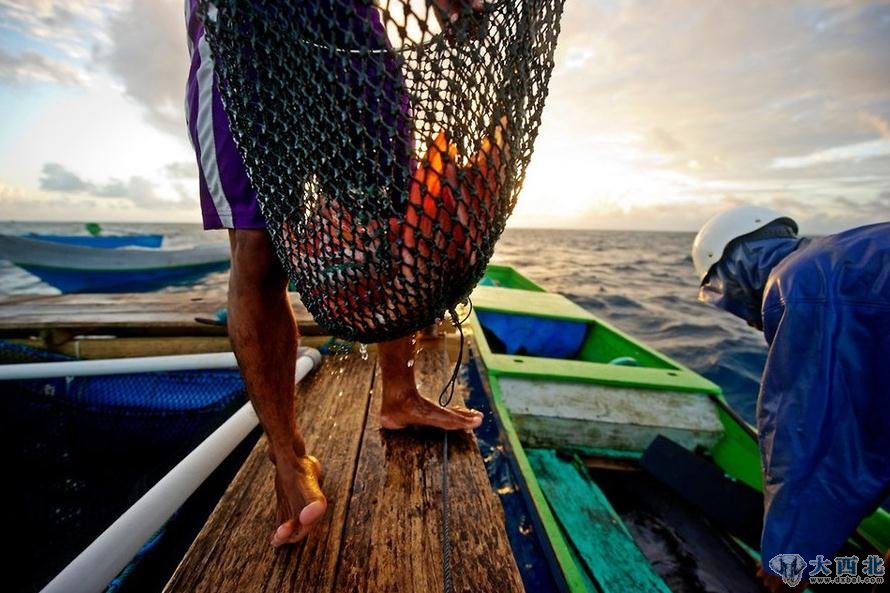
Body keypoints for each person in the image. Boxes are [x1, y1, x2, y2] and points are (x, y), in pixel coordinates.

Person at [184, 0, 484, 548]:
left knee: (393, 216)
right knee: (257, 250)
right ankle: (289, 457)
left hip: (346, 25)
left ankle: (400, 393)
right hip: (240, 35)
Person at [692, 205, 890, 589]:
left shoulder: (799, 285)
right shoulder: (842, 259)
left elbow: (808, 436)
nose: (746, 319)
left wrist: (790, 556)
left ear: (735, 271)